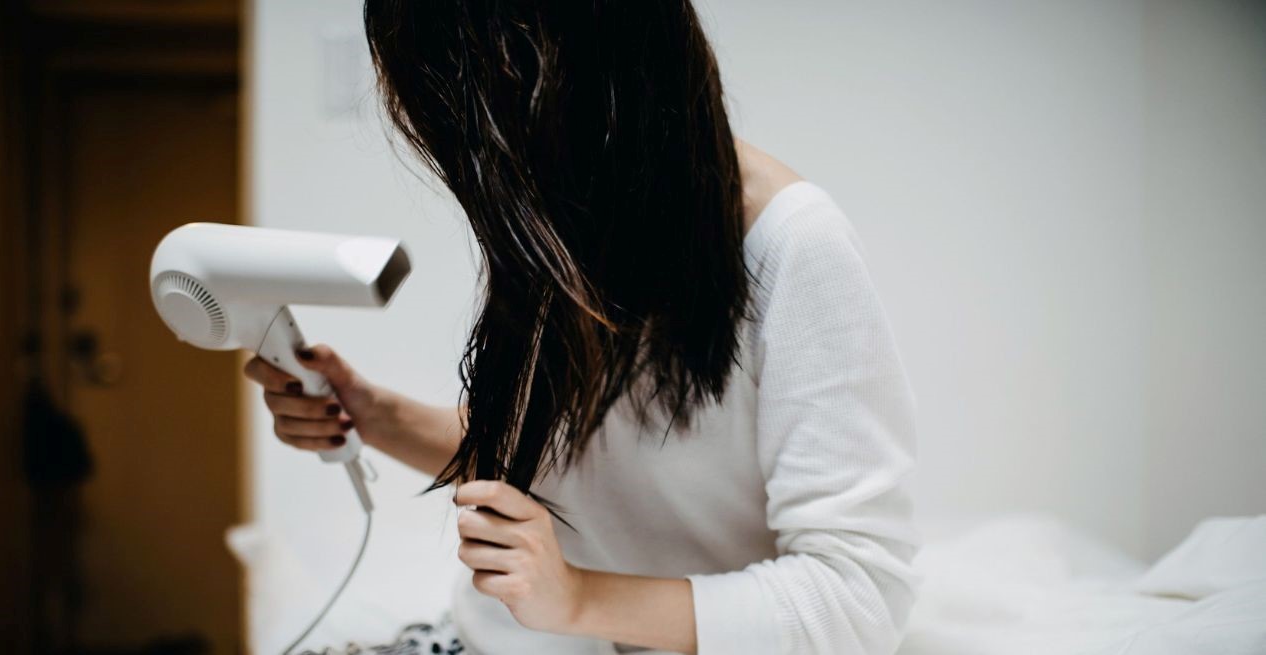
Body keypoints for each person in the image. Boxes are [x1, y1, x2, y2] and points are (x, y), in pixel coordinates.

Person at [244, 1, 919, 653]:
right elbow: (569, 458)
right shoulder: (569, 215)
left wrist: (577, 598)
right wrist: (373, 415)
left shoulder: (797, 249)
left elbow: (858, 600)